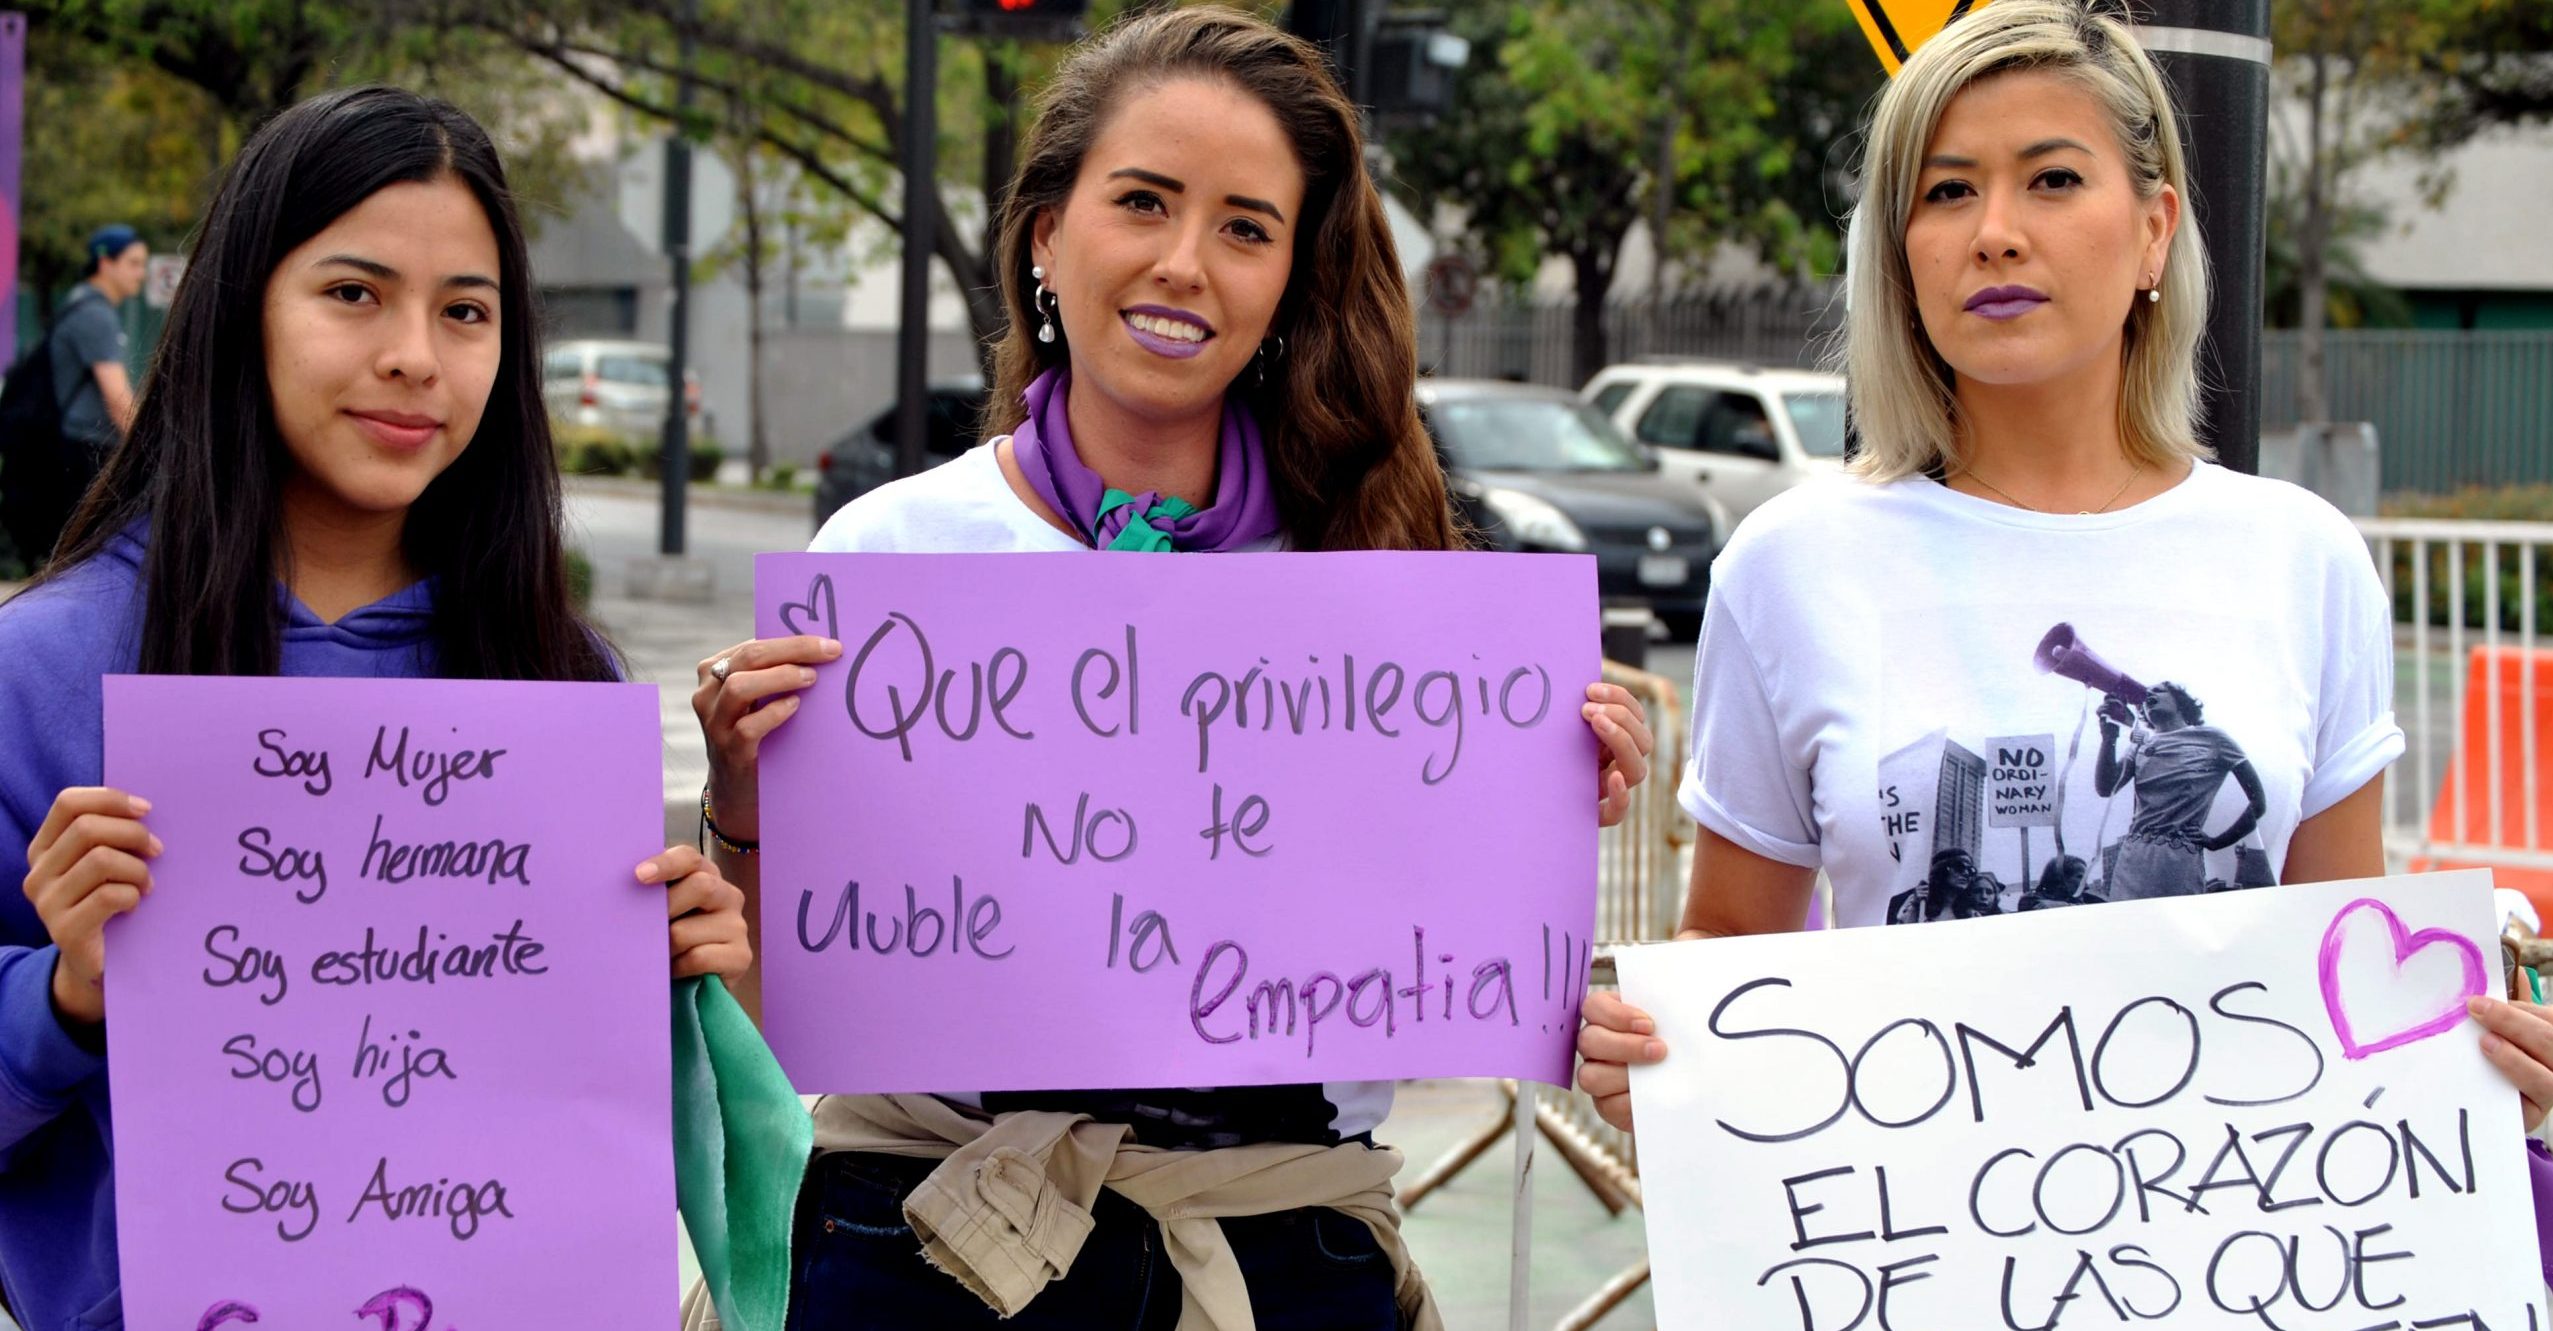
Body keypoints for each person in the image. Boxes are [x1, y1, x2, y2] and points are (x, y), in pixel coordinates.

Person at [688, 9, 1651, 1328]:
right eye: (1142, 202)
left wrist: (1538, 801)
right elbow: (778, 997)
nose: (1185, 262)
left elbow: (1439, 967)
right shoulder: (892, 552)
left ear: (1291, 276)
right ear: (1044, 233)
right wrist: (742, 798)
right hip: (925, 1241)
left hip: (1281, 1253)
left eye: (1246, 226)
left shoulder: (1383, 575)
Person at [1572, 0, 2553, 1209]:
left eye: (2051, 179)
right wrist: (1661, 1047)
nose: (1995, 233)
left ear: (2154, 231)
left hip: (2233, 1237)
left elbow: (2344, 950)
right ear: (1897, 252)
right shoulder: (1787, 565)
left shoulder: (2302, 557)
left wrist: (2469, 1055)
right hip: (1912, 1235)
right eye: (1943, 193)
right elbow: (1732, 939)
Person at [0, 87, 752, 1331]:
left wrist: (691, 983)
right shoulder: (44, 669)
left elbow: (624, 1146)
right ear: (243, 308)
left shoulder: (564, 687)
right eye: (354, 293)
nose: (416, 353)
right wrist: (71, 992)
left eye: (465, 310)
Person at [2093, 679, 2266, 898]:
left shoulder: (2214, 739)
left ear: (2180, 701)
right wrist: (2109, 736)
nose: (2149, 695)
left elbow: (2258, 802)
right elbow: (2105, 787)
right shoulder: (2140, 745)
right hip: (2133, 858)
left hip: (2178, 859)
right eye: (2146, 696)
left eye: (2158, 691)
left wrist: (2217, 842)